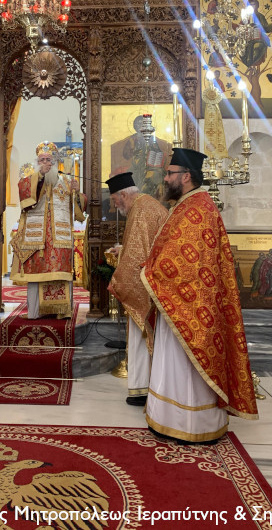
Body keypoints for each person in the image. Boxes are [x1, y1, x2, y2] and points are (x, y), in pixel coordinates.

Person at [141, 148, 258, 443]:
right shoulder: (189, 205)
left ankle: (190, 423)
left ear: (186, 176)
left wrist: (152, 272)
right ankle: (169, 417)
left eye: (170, 174)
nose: (165, 179)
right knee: (176, 362)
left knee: (186, 365)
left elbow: (184, 261)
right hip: (181, 301)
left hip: (190, 304)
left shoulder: (198, 208)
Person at [106, 172, 167, 406]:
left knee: (140, 335)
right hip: (154, 280)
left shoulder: (141, 211)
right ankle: (145, 387)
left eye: (114, 200)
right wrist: (122, 250)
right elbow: (144, 248)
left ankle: (142, 389)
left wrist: (119, 283)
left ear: (123, 194)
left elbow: (138, 256)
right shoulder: (145, 205)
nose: (114, 205)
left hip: (145, 286)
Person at [10, 141, 86, 319]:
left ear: (54, 162)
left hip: (60, 237)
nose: (45, 163)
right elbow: (25, 197)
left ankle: (61, 311)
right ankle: (35, 312)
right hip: (37, 238)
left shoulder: (66, 181)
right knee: (36, 275)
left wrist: (77, 193)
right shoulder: (30, 179)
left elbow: (78, 210)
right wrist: (40, 176)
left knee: (60, 274)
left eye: (48, 160)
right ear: (37, 162)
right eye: (42, 160)